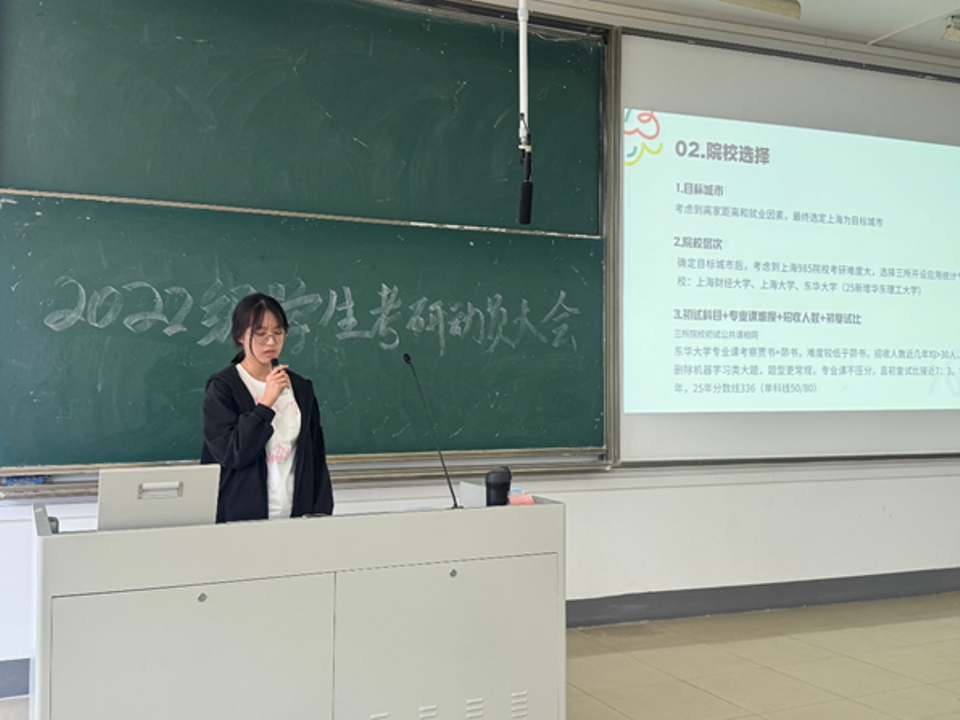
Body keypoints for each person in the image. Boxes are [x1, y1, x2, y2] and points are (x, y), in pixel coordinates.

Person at [201, 293, 333, 522]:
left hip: (297, 514)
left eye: (278, 333)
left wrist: (321, 511)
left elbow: (315, 455)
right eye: (260, 334)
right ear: (240, 335)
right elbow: (232, 454)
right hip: (241, 517)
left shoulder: (300, 388)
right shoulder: (223, 387)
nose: (271, 342)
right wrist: (266, 404)